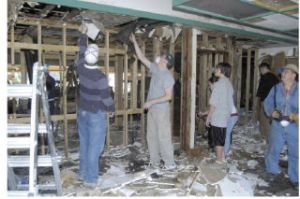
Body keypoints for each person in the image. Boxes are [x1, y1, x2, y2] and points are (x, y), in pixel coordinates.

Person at [130, 33, 176, 170]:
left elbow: (169, 97)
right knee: (151, 136)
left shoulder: (168, 77)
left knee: (163, 137)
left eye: (162, 57)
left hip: (161, 110)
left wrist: (151, 102)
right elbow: (142, 58)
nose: (160, 57)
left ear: (165, 61)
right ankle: (155, 161)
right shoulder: (156, 69)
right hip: (152, 110)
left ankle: (169, 164)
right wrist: (134, 43)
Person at [76, 24, 115, 186]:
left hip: (82, 111)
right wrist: (112, 110)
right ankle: (91, 179)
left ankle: (83, 172)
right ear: (97, 58)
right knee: (95, 147)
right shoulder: (100, 77)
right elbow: (106, 99)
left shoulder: (79, 67)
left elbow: (81, 50)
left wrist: (83, 36)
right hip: (95, 114)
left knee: (84, 142)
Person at [264, 63, 298, 187]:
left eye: (286, 72)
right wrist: (271, 111)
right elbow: (267, 102)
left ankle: (295, 178)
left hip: (294, 126)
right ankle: (272, 172)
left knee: (295, 152)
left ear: (294, 75)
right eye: (282, 72)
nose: (282, 74)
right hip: (277, 125)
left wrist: (296, 115)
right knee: (274, 149)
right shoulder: (276, 88)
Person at [206, 62, 234, 164]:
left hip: (218, 116)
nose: (215, 71)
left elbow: (213, 104)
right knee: (222, 137)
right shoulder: (228, 83)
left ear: (221, 71)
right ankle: (222, 158)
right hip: (226, 115)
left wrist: (208, 118)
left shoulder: (219, 84)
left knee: (218, 139)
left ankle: (219, 161)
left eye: (217, 69)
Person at [256, 63, 280, 142]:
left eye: (260, 69)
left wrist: (259, 98)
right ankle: (268, 137)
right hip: (274, 101)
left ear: (264, 68)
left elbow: (261, 89)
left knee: (265, 119)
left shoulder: (265, 77)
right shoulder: (275, 77)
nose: (260, 71)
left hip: (266, 101)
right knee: (270, 119)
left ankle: (267, 138)